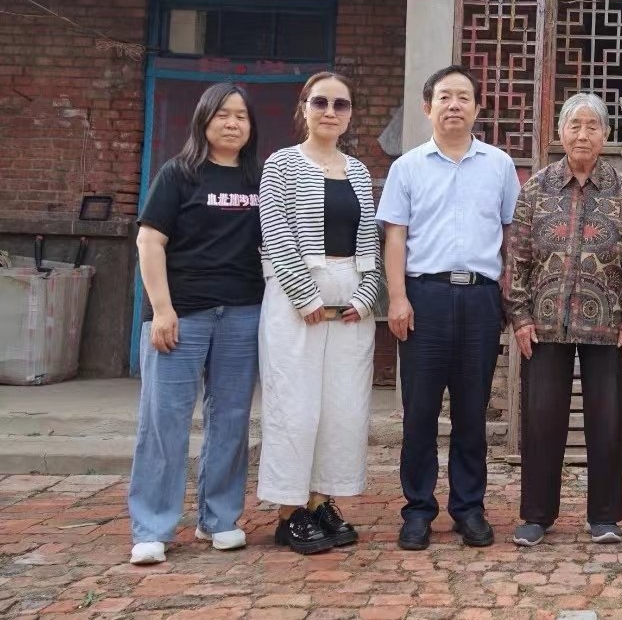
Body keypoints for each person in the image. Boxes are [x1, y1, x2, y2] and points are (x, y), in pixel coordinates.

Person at [378, 64, 520, 551]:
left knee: (471, 410)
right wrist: (398, 298)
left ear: (477, 108)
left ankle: (468, 508)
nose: (454, 105)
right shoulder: (408, 167)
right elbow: (395, 237)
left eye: (463, 97)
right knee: (419, 411)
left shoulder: (499, 165)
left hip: (481, 299)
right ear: (427, 107)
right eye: (444, 97)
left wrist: (509, 295)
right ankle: (418, 510)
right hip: (425, 298)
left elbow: (511, 235)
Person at [128, 83, 264, 565]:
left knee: (231, 419)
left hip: (242, 313)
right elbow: (150, 241)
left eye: (241, 116)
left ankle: (219, 519)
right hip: (182, 315)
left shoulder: (259, 179)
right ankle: (153, 527)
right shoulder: (178, 173)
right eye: (222, 114)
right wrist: (162, 309)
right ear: (203, 120)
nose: (232, 123)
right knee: (164, 421)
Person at [504, 92, 622, 547]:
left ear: (606, 134)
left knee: (607, 421)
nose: (583, 134)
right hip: (544, 326)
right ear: (560, 133)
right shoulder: (536, 188)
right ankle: (536, 514)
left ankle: (604, 515)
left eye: (592, 126)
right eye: (574, 125)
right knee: (541, 420)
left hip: (608, 327)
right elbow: (518, 258)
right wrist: (520, 316)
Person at [257, 72, 381, 555]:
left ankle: (320, 500)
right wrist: (304, 296)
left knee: (342, 408)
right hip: (296, 298)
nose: (330, 111)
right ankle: (289, 513)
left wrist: (366, 295)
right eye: (321, 102)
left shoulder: (358, 171)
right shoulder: (281, 165)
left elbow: (368, 242)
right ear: (304, 107)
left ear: (350, 114)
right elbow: (276, 232)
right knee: (295, 407)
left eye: (341, 104)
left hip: (351, 298)